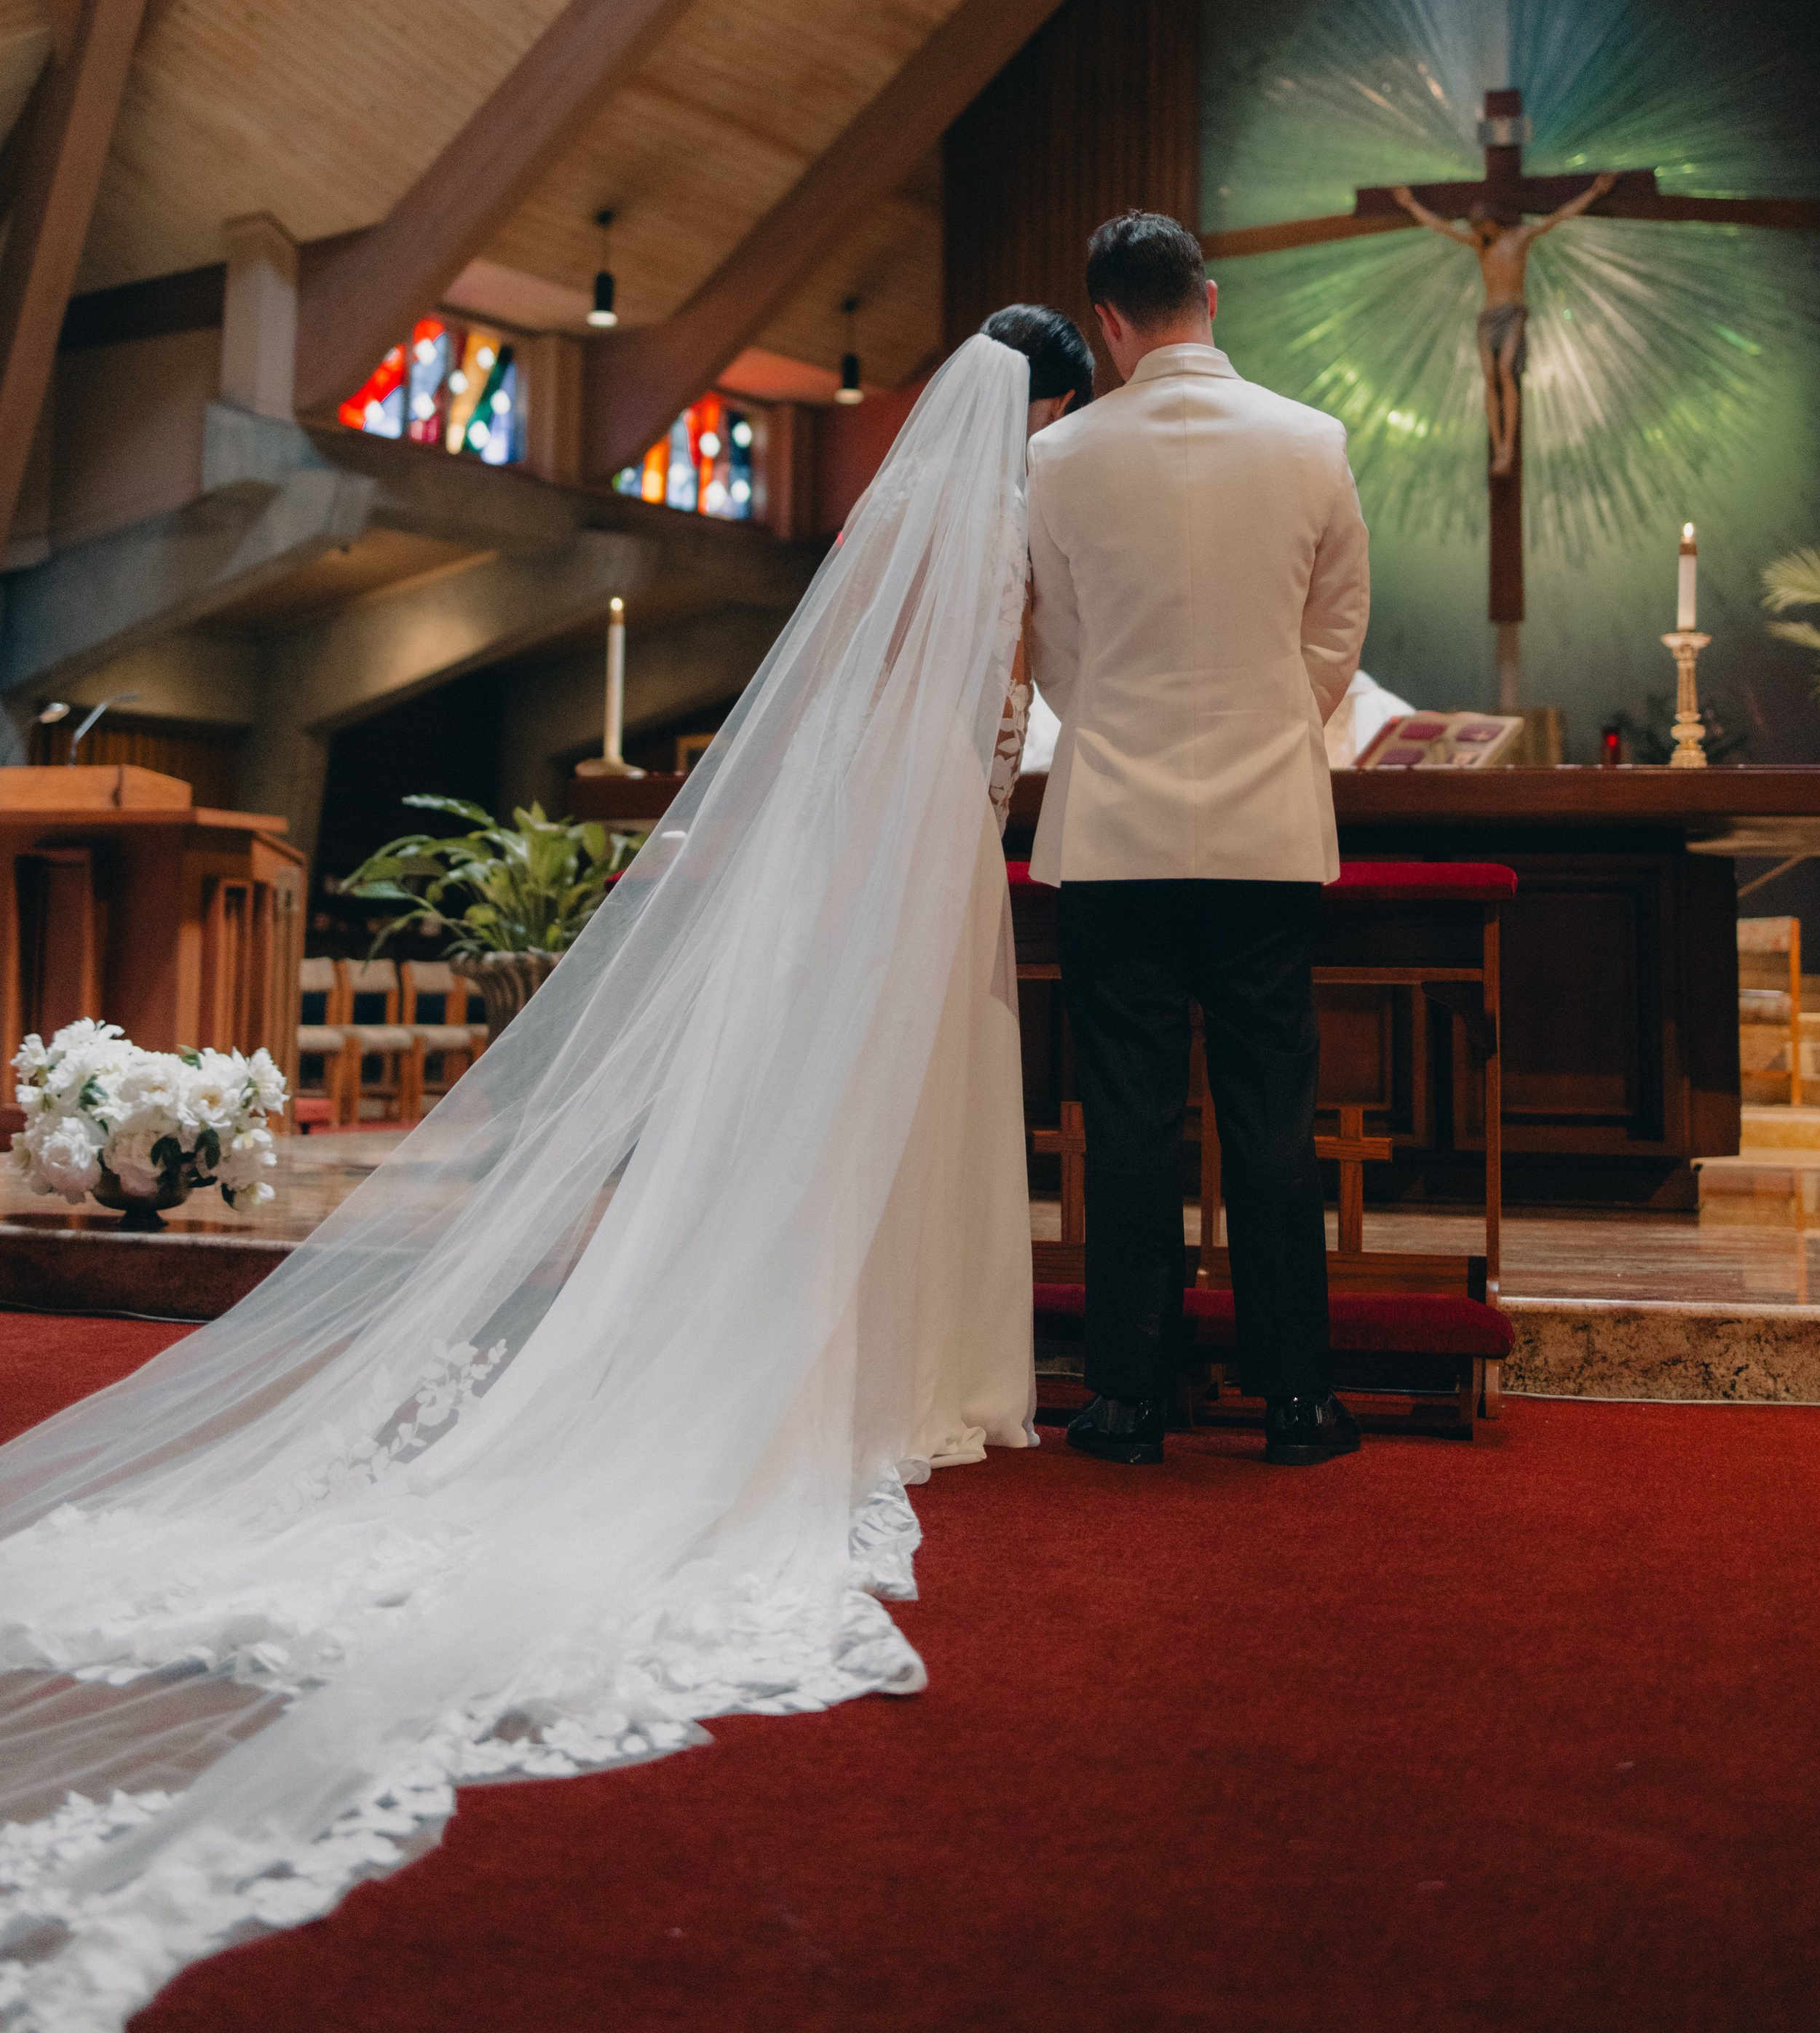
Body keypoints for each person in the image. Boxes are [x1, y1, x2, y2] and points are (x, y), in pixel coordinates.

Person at [0, 318, 1086, 2032]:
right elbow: (1022, 703)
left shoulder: (906, 528)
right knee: (921, 1090)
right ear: (1051, 411)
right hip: (945, 815)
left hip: (877, 808)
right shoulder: (1042, 507)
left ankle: (854, 1350)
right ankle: (896, 1366)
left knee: (841, 1106)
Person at [1025, 211, 1371, 1469]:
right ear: (1207, 299)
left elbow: (1057, 643)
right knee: (1271, 1116)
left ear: (1108, 322)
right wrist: (1276, 720)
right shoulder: (1311, 439)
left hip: (1114, 825)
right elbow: (1340, 621)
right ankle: (1298, 1401)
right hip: (1267, 826)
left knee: (1125, 1121)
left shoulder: (1060, 462)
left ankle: (1126, 1397)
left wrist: (1115, 718)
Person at [1390, 171, 1616, 477]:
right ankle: (1498, 446)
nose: (1482, 233)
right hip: (1488, 317)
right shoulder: (1481, 244)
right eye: (1478, 229)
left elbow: (1558, 217)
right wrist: (1410, 204)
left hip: (1512, 313)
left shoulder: (1519, 237)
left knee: (1506, 370)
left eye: (1484, 227)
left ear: (1495, 222)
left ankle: (1508, 444)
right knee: (1489, 377)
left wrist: (1594, 192)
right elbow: (1441, 227)